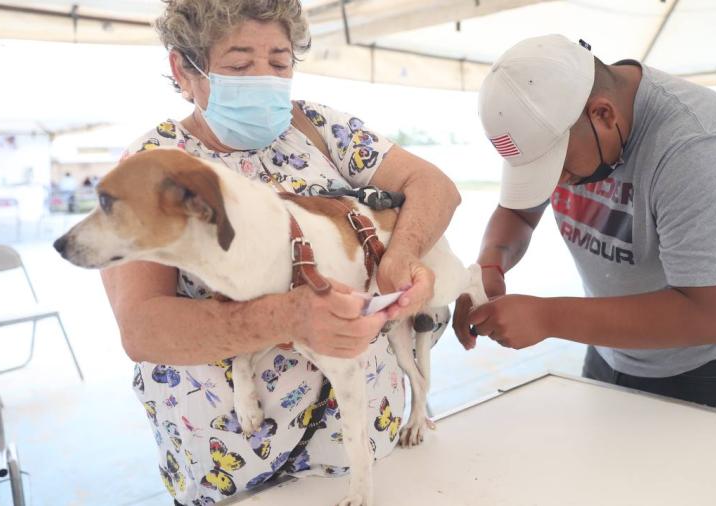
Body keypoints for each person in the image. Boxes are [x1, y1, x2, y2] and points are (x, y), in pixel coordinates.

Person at [102, 1, 460, 504]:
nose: (264, 79)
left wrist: (403, 254)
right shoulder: (157, 167)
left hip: (360, 451)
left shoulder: (319, 128)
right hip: (233, 466)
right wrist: (284, 317)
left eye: (279, 61)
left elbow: (434, 185)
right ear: (184, 69)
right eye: (240, 64)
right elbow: (142, 328)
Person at [453, 34, 716, 416]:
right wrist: (490, 266)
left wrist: (547, 316)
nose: (554, 185)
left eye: (560, 168)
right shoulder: (569, 126)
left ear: (603, 115)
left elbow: (707, 314)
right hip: (610, 347)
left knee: (684, 477)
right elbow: (519, 213)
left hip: (707, 366)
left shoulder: (700, 145)